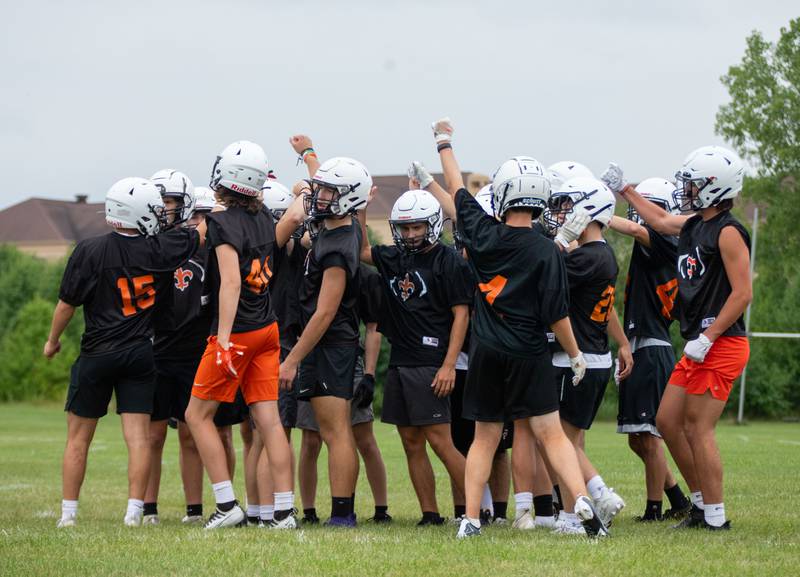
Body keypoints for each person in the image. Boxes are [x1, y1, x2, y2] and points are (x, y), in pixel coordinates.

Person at [412, 118, 607, 539]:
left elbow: (457, 187)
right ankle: (582, 503)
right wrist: (574, 355)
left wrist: (443, 142)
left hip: (486, 351)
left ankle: (470, 519)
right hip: (530, 352)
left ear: (503, 194)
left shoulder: (482, 233)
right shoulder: (547, 250)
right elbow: (557, 314)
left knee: (483, 439)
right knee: (552, 435)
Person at [604, 146, 751, 530]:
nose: (686, 189)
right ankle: (699, 503)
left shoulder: (730, 231)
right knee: (667, 420)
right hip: (700, 342)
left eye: (694, 183)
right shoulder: (695, 224)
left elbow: (742, 294)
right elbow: (661, 220)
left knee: (698, 428)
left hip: (721, 342)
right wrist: (625, 191)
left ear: (715, 187)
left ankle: (714, 517)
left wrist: (709, 335)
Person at [45, 177, 200, 528]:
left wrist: (52, 340)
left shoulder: (89, 250)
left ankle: (68, 514)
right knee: (138, 438)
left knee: (78, 438)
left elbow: (67, 304)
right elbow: (198, 233)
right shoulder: (159, 249)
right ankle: (134, 511)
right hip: (140, 353)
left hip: (97, 352)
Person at [185, 140, 305, 529]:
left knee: (196, 415)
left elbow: (231, 283)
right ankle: (284, 511)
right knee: (268, 418)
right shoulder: (263, 220)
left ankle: (225, 504)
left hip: (237, 332)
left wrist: (221, 337)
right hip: (267, 328)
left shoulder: (220, 223)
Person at [358, 188, 471, 526]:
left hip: (431, 360)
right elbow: (361, 249)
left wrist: (449, 364)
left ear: (432, 225)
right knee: (410, 441)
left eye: (417, 227)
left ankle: (476, 512)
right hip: (401, 361)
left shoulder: (448, 259)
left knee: (441, 441)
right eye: (405, 228)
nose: (410, 234)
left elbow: (461, 315)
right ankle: (430, 514)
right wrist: (362, 208)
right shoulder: (394, 257)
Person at [142, 174, 245, 525]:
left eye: (204, 215)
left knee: (192, 432)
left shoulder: (213, 251)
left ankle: (196, 509)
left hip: (195, 350)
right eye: (195, 215)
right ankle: (148, 507)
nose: (197, 221)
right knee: (153, 435)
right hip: (158, 349)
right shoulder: (158, 244)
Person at [278, 151, 371, 527]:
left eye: (330, 193)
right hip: (327, 345)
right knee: (331, 430)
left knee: (335, 431)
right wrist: (310, 158)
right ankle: (340, 511)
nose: (322, 197)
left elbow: (325, 312)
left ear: (348, 197)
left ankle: (343, 513)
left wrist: (293, 358)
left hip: (331, 345)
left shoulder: (338, 246)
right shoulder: (334, 230)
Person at [543, 176, 632, 531]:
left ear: (589, 210)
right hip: (596, 357)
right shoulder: (603, 254)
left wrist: (558, 243)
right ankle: (575, 510)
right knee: (570, 440)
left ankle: (596, 497)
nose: (564, 213)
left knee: (561, 442)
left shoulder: (586, 258)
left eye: (570, 206)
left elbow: (544, 273)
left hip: (576, 358)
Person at [606, 177, 692, 521]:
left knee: (649, 435)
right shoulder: (662, 245)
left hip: (651, 347)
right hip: (644, 343)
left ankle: (654, 508)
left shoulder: (662, 241)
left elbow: (637, 229)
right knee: (638, 439)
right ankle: (677, 499)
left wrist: (596, 213)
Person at [295, 264, 391, 524]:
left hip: (349, 360)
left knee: (363, 437)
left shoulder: (367, 275)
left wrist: (370, 375)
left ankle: (380, 509)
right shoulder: (310, 268)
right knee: (311, 440)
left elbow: (373, 328)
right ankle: (309, 511)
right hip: (310, 357)